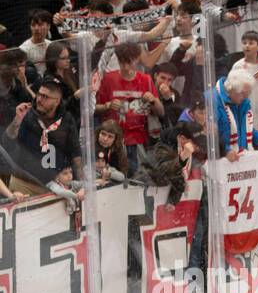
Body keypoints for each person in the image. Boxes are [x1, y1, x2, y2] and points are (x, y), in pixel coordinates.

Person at [3, 77, 80, 196]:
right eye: (39, 94)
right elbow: (7, 141)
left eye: (46, 97)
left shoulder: (67, 120)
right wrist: (17, 121)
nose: (39, 99)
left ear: (57, 101)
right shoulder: (27, 114)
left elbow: (76, 154)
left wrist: (82, 183)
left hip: (54, 186)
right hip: (24, 184)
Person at [94, 42, 162, 170]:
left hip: (136, 140)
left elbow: (161, 112)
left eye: (129, 62)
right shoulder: (109, 78)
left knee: (135, 179)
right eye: (122, 62)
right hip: (110, 140)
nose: (125, 67)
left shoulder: (146, 79)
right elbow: (95, 108)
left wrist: (153, 100)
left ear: (137, 59)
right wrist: (108, 105)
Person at [214, 72, 258, 156]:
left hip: (241, 157)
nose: (246, 97)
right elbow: (209, 136)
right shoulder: (212, 102)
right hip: (222, 159)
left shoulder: (241, 101)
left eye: (248, 93)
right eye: (243, 93)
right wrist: (226, 151)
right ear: (231, 89)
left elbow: (243, 126)